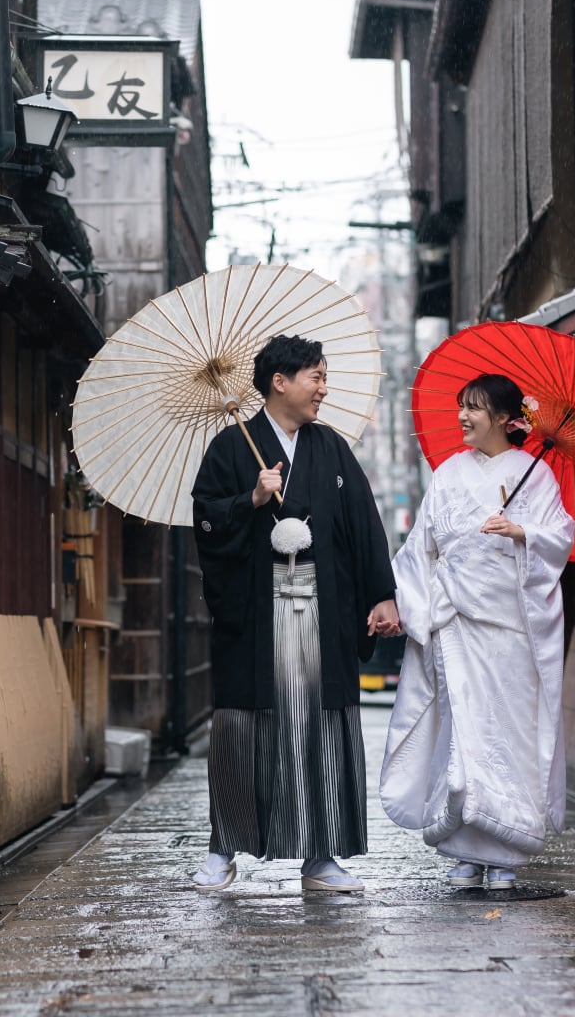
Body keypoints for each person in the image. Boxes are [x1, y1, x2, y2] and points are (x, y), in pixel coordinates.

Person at [190, 334, 400, 893]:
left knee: (322, 730)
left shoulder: (330, 448)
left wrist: (382, 594)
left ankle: (321, 855)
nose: (323, 388)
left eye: (325, 377)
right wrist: (250, 503)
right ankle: (223, 848)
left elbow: (363, 525)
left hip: (321, 608)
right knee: (243, 730)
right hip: (256, 611)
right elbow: (206, 522)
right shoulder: (232, 449)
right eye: (316, 376)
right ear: (278, 381)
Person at [380, 373, 575, 890]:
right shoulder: (447, 474)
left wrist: (523, 532)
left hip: (510, 627)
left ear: (507, 419)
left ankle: (506, 851)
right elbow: (421, 548)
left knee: (505, 732)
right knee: (459, 732)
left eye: (475, 409)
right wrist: (410, 605)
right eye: (461, 407)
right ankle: (464, 847)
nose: (464, 417)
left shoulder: (536, 478)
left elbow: (559, 538)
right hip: (456, 624)